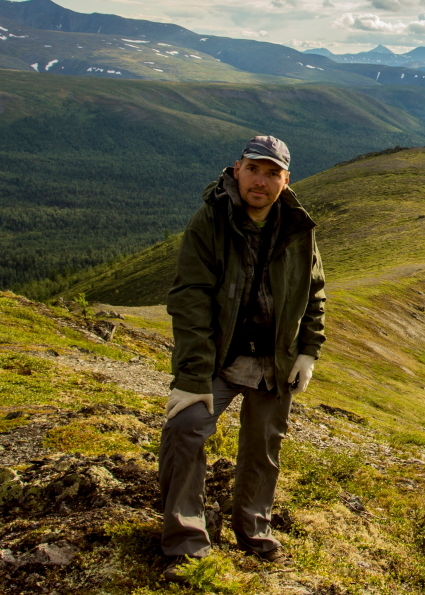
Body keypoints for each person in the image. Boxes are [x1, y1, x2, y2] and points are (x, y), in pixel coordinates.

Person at [158, 135, 326, 583]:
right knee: (186, 429)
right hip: (220, 356)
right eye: (255, 169)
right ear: (237, 169)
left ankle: (254, 532)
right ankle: (186, 542)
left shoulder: (298, 226)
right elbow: (189, 298)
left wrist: (308, 351)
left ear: (286, 181)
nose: (261, 181)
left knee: (263, 449)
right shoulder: (210, 221)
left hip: (275, 359)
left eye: (273, 173)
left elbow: (315, 292)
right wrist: (192, 377)